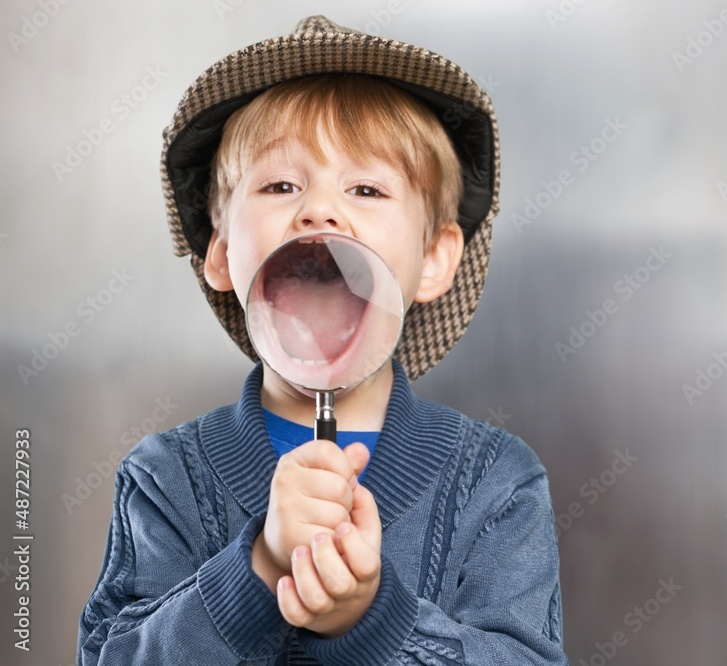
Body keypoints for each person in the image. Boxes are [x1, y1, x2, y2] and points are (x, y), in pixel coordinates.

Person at [78, 15, 568, 665]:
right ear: (221, 253)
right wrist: (258, 567)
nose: (319, 210)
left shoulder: (498, 481)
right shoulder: (164, 477)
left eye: (366, 188)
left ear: (434, 259)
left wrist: (369, 618)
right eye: (281, 185)